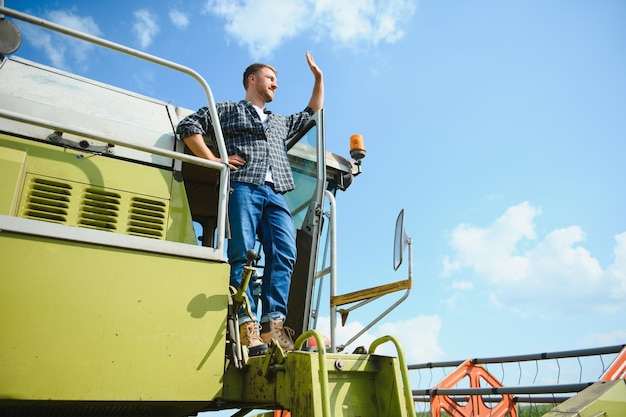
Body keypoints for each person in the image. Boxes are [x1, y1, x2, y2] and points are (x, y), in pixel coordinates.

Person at [176, 52, 323, 354]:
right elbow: (189, 125)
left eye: (277, 81)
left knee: (284, 253)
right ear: (252, 80)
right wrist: (215, 160)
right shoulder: (230, 109)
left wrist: (319, 79)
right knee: (240, 252)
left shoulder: (279, 122)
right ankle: (246, 327)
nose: (276, 85)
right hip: (243, 186)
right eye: (271, 79)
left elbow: (310, 113)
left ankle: (273, 328)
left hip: (276, 193)